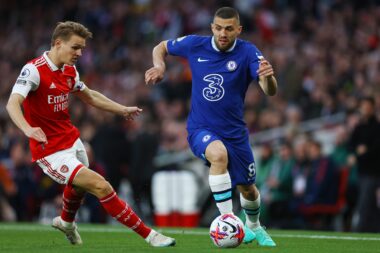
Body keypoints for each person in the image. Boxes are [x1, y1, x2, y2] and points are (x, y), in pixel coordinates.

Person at [6, 21, 175, 247]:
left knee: (78, 187)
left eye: (82, 48)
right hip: (50, 150)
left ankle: (66, 222)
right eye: (75, 47)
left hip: (72, 141)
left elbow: (91, 96)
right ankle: (151, 235)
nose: (80, 53)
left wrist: (121, 109)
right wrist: (27, 128)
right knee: (100, 186)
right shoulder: (34, 70)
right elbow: (12, 104)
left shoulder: (69, 70)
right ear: (58, 43)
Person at [145, 7, 277, 246]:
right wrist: (160, 66)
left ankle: (254, 227)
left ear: (239, 29)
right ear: (212, 28)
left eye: (228, 28)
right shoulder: (196, 44)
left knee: (248, 189)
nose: (223, 33)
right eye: (218, 27)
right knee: (218, 155)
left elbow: (270, 90)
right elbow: (160, 47)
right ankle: (228, 220)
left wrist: (268, 77)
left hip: (235, 132)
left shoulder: (248, 52)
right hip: (201, 128)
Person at [348, 97, 380, 232]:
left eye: (368, 106)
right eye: (363, 106)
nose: (365, 109)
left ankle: (358, 231)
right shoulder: (359, 127)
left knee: (365, 204)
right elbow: (351, 145)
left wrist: (363, 152)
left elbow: (377, 148)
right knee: (370, 205)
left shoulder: (377, 127)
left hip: (373, 172)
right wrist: (354, 153)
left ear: (372, 108)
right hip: (360, 172)